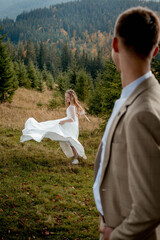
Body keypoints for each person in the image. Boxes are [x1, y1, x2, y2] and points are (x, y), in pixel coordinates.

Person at [93, 6, 160, 240]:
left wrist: (116, 236)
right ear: (155, 50)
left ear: (114, 45)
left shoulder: (142, 113)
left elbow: (151, 207)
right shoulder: (144, 96)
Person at [20, 89, 87, 164]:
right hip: (72, 125)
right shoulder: (74, 105)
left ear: (72, 97)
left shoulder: (72, 106)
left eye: (68, 97)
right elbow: (79, 114)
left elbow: (72, 119)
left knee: (71, 141)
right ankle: (77, 156)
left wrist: (63, 121)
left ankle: (76, 158)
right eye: (66, 97)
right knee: (69, 140)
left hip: (70, 125)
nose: (66, 99)